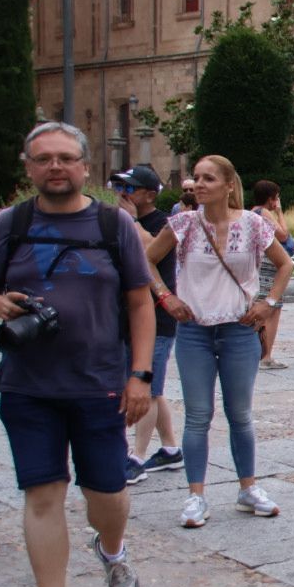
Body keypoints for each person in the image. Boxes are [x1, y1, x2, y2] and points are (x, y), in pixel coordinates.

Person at [0, 122, 155, 587]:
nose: (55, 167)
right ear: (28, 167)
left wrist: (139, 375)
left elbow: (140, 302)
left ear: (84, 166)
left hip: (99, 383)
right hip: (30, 386)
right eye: (44, 158)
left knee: (107, 497)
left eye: (66, 158)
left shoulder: (111, 224)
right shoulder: (11, 224)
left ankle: (112, 549)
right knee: (43, 494)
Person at [146, 155, 291, 528]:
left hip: (239, 329)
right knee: (197, 415)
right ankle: (196, 495)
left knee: (240, 414)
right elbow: (145, 261)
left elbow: (286, 262)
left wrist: (269, 301)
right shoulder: (181, 224)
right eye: (196, 178)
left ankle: (247, 488)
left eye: (208, 178)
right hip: (195, 329)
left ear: (229, 185)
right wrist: (166, 297)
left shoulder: (254, 225)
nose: (199, 184)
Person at [110, 164, 182, 481]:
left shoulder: (163, 221)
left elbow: (149, 251)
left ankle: (136, 458)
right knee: (155, 388)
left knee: (148, 390)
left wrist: (132, 221)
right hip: (129, 315)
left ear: (149, 195)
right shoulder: (121, 220)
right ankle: (170, 449)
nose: (123, 195)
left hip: (158, 316)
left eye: (130, 189)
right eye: (121, 189)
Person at [250, 181, 294, 370]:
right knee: (272, 307)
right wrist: (280, 212)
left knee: (264, 306)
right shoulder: (263, 212)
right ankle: (266, 355)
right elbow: (283, 235)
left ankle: (258, 352)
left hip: (261, 262)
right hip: (269, 264)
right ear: (271, 198)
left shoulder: (252, 212)